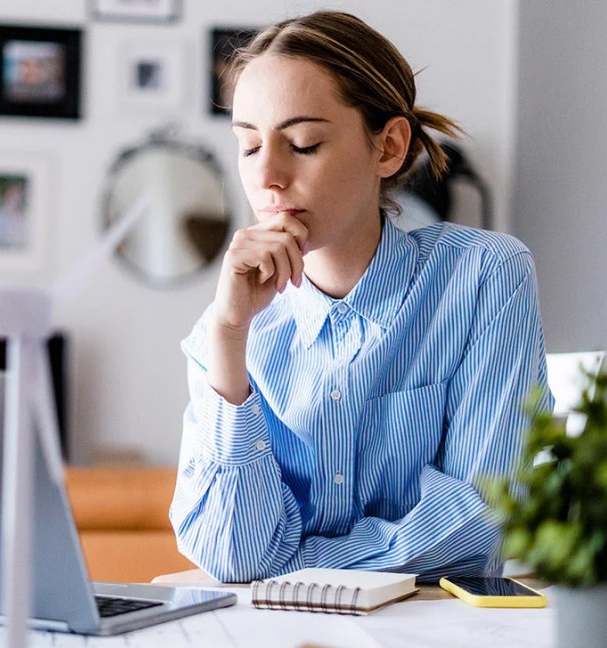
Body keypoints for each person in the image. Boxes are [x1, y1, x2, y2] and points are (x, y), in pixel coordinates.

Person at [169, 11, 553, 583]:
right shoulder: (225, 330)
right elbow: (233, 556)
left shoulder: (483, 278)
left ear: (389, 148)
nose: (268, 175)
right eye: (249, 147)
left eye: (302, 143)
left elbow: (481, 526)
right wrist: (228, 340)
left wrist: (291, 560)